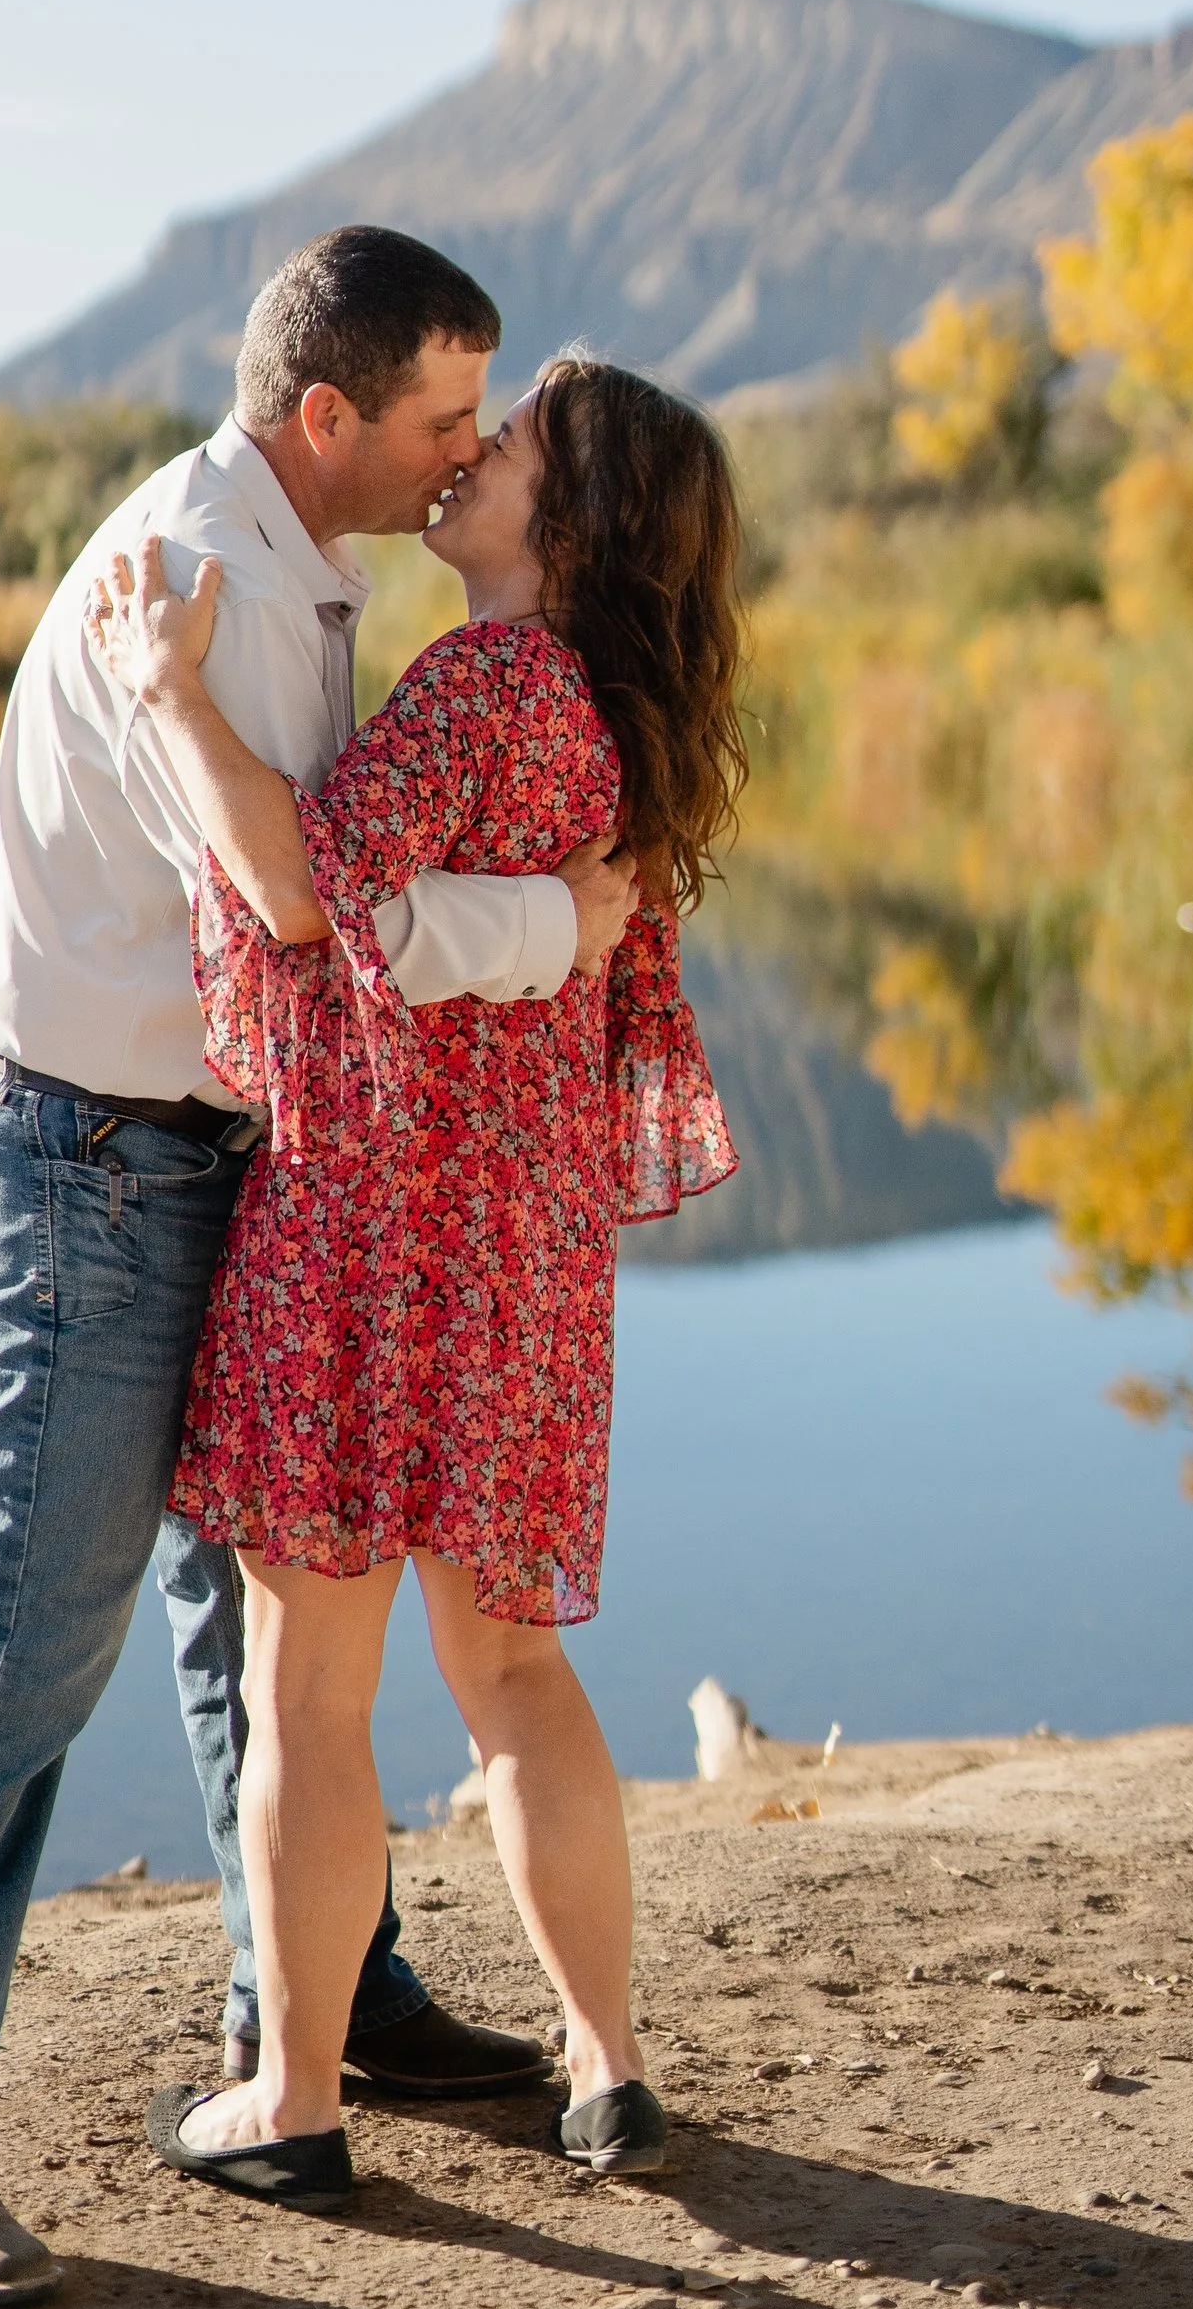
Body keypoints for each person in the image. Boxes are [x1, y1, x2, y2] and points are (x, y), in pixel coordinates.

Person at [0, 230, 641, 2308]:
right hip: (82, 1157)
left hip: (201, 1160)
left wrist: (543, 917)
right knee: (24, 1642)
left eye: (495, 424)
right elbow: (301, 913)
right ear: (330, 417)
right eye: (450, 412)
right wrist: (562, 928)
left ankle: (325, 2012)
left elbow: (349, 909)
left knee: (247, 1635)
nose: (470, 449)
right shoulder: (222, 585)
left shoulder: (310, 567)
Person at [87, 356, 743, 2212]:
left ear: (579, 514)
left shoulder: (484, 684)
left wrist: (168, 694)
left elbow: (295, 885)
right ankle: (609, 2069)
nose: (470, 454)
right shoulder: (612, 720)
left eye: (511, 440)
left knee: (308, 1692)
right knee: (518, 1674)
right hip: (523, 1257)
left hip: (377, 1232)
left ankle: (292, 2097)